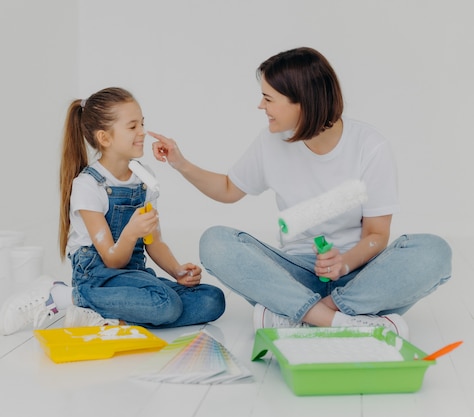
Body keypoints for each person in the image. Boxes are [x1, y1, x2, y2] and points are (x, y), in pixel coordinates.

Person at [148, 47, 452, 339]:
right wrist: (180, 163)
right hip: (295, 276)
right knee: (215, 242)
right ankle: (343, 321)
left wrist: (343, 263)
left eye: (268, 98)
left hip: (360, 275)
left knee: (434, 252)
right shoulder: (271, 142)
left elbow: (376, 234)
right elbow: (229, 189)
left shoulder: (369, 146)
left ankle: (309, 314)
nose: (260, 106)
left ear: (302, 102)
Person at [0, 87, 225, 335]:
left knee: (212, 300)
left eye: (142, 123)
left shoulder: (144, 178)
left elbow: (154, 242)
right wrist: (130, 233)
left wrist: (177, 271)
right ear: (105, 138)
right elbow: (112, 259)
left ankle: (118, 314)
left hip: (133, 277)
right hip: (99, 276)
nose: (142, 132)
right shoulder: (88, 185)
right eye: (132, 127)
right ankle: (63, 296)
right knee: (165, 304)